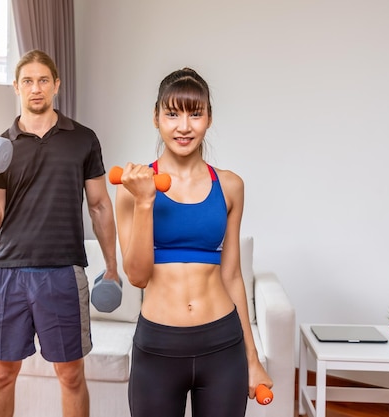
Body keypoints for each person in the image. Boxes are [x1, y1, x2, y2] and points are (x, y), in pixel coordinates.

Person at [0, 49, 119, 417]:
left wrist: (112, 265)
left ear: (56, 86)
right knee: (1, 375)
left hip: (63, 272)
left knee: (71, 376)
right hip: (8, 273)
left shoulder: (83, 139)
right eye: (28, 81)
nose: (36, 88)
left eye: (43, 80)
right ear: (17, 87)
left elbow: (99, 206)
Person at [114, 67, 273, 417]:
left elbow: (232, 276)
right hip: (157, 346)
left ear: (209, 119)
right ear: (155, 118)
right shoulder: (132, 189)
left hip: (222, 345)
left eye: (194, 114)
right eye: (172, 114)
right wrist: (144, 202)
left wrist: (253, 358)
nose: (183, 127)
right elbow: (138, 277)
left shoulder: (230, 186)